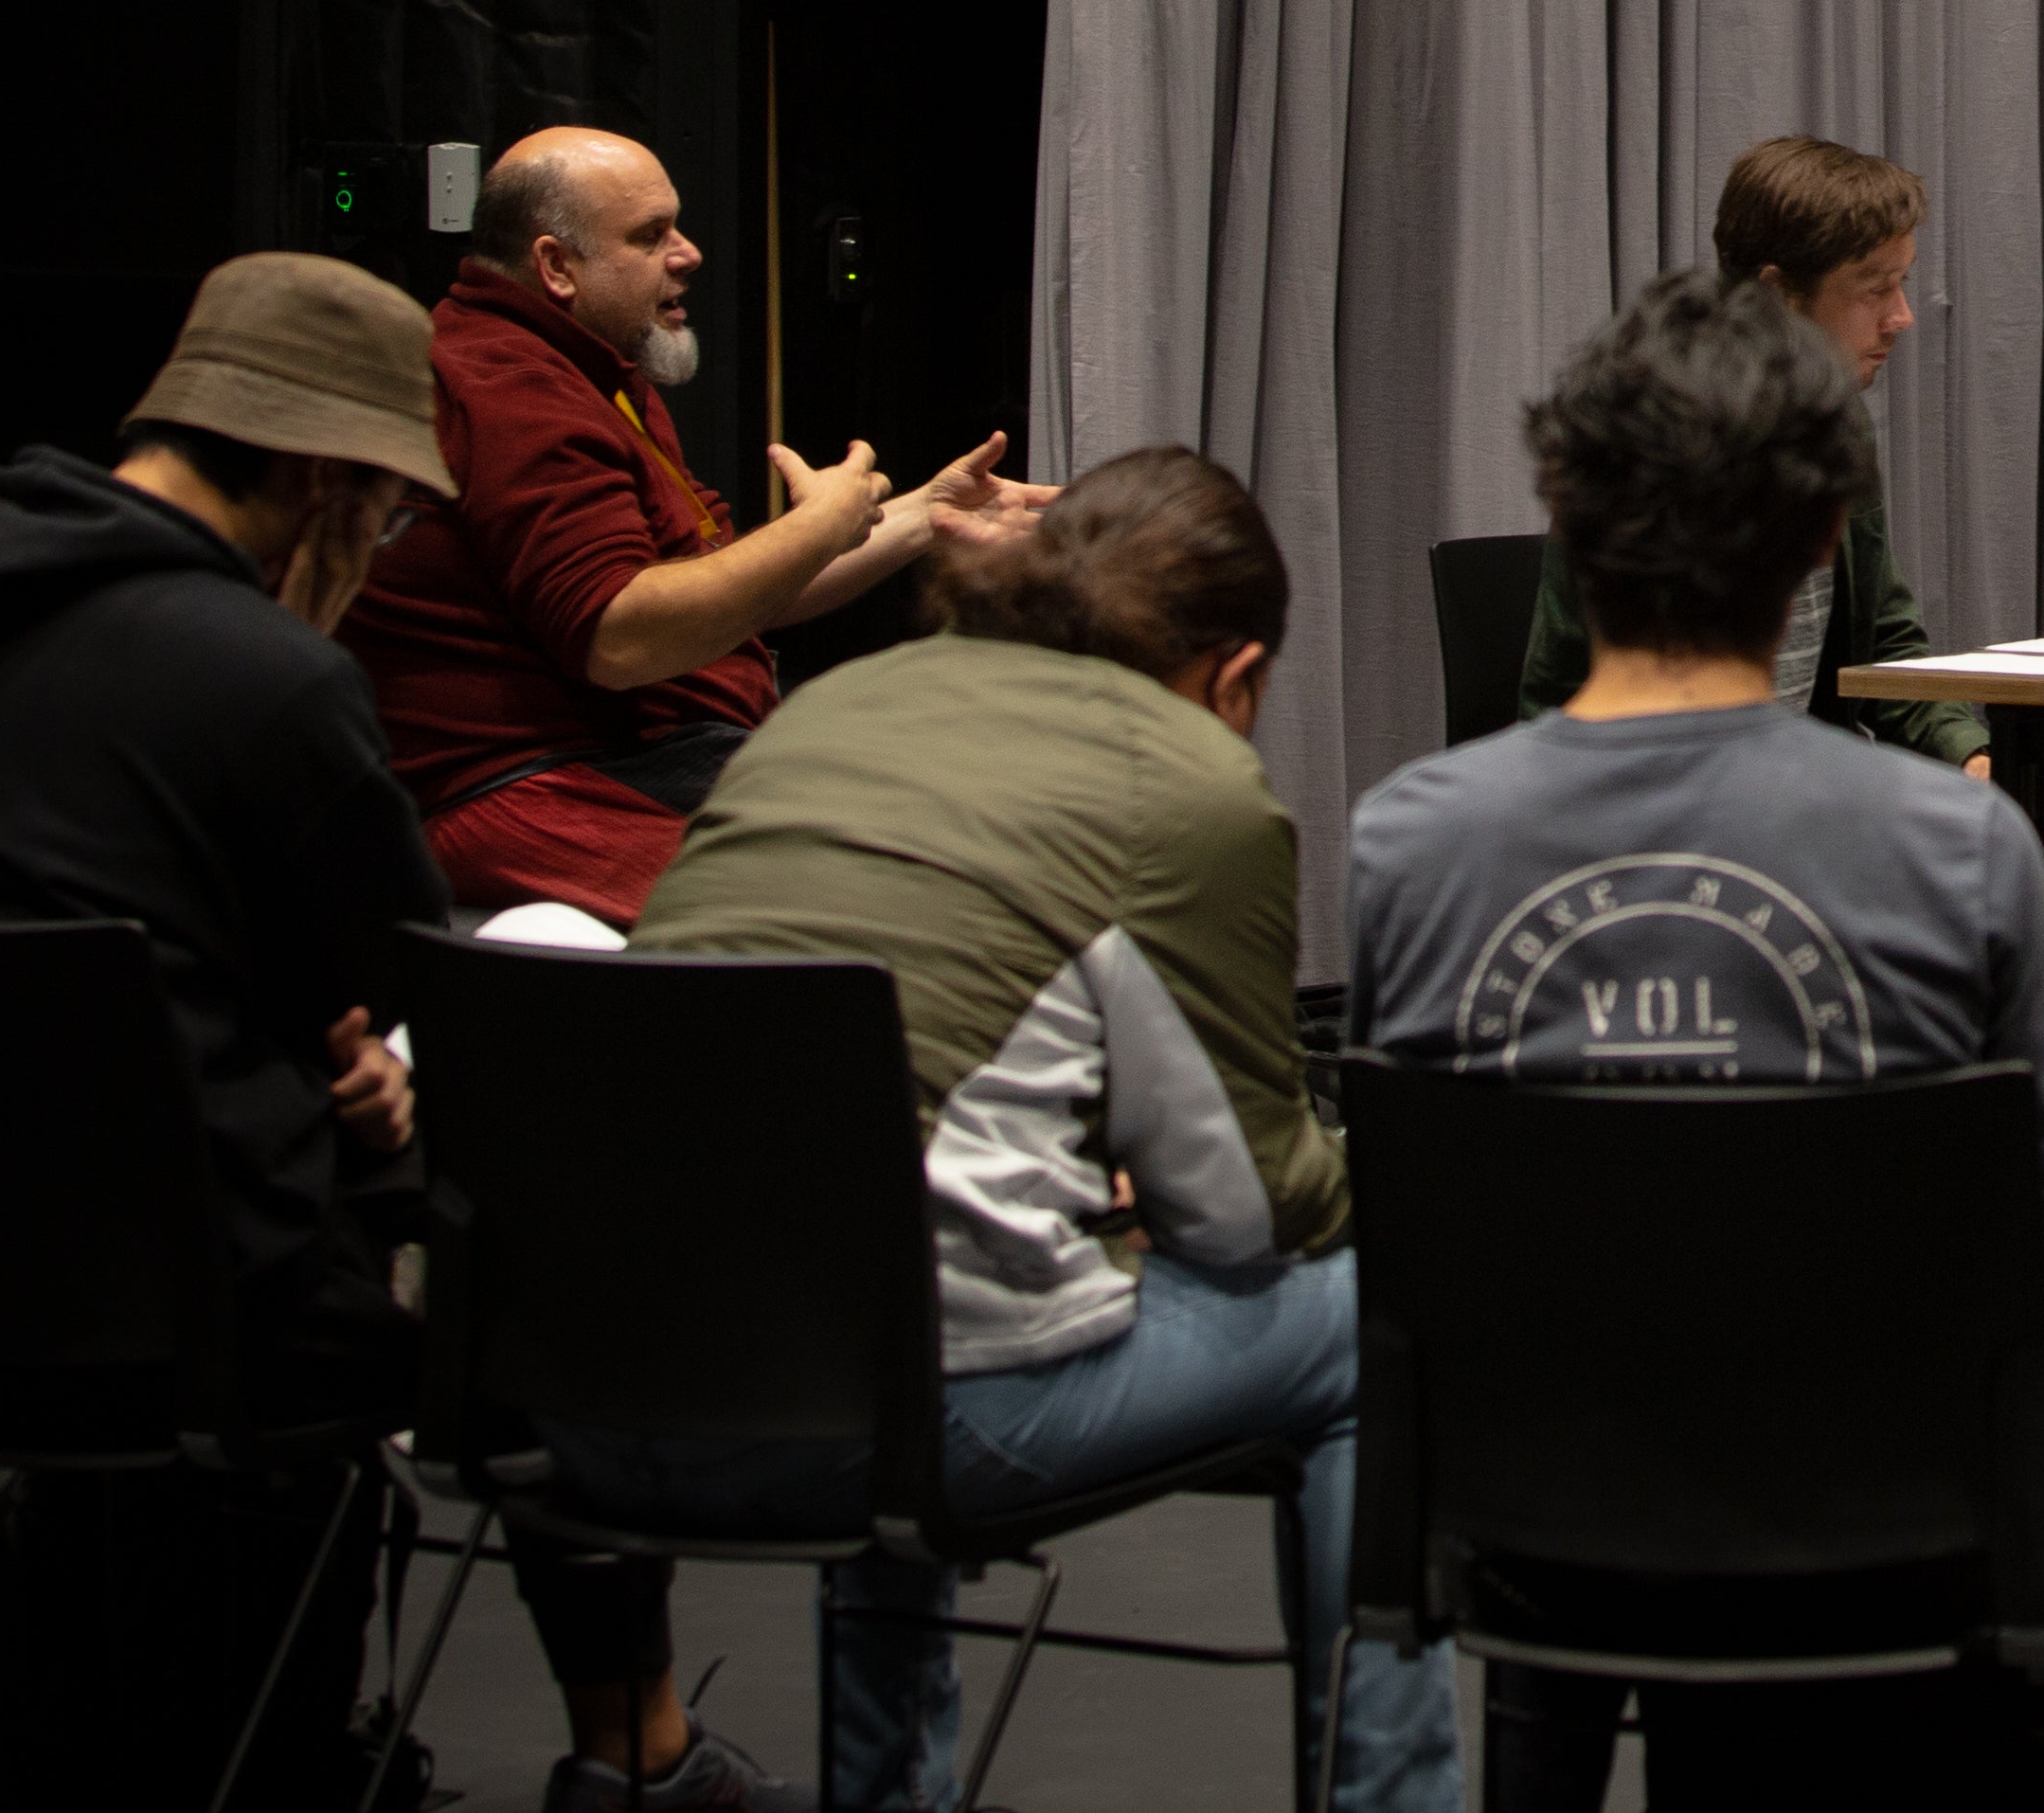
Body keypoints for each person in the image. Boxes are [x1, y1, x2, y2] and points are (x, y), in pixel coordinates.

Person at [1356, 271, 2044, 1813]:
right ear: (1829, 535)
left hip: (1535, 1497)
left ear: (1564, 517)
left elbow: (1416, 1265)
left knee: (1574, 1393)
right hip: (1883, 1502)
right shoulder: (1959, 856)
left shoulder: (1405, 846)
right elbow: (2042, 1308)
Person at [0, 255, 774, 1812]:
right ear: (323, 476)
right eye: (387, 518)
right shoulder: (266, 679)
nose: (380, 554)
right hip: (206, 1313)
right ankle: (640, 1760)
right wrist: (362, 1079)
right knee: (534, 1258)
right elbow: (390, 979)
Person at [604, 447, 1454, 1813]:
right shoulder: (1187, 782)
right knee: (1371, 1314)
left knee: (889, 1254)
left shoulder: (832, 708)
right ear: (1234, 676)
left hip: (597, 1380)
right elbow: (1253, 1215)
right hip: (904, 1419)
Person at [342, 126, 1050, 925]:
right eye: (651, 236)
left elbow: (724, 585)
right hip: (535, 782)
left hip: (653, 749)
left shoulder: (590, 364)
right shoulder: (507, 386)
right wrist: (818, 527)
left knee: (972, 807)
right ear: (555, 267)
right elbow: (620, 637)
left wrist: (923, 515)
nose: (689, 253)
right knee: (909, 895)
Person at [1513, 135, 2044, 1003]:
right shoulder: (1652, 428)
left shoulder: (1837, 427)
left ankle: (1929, 1068)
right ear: (1780, 295)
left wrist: (1976, 760)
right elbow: (1563, 700)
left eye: (1902, 282)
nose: (1901, 315)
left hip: (1796, 792)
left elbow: (1885, 648)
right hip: (1669, 813)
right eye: (1875, 288)